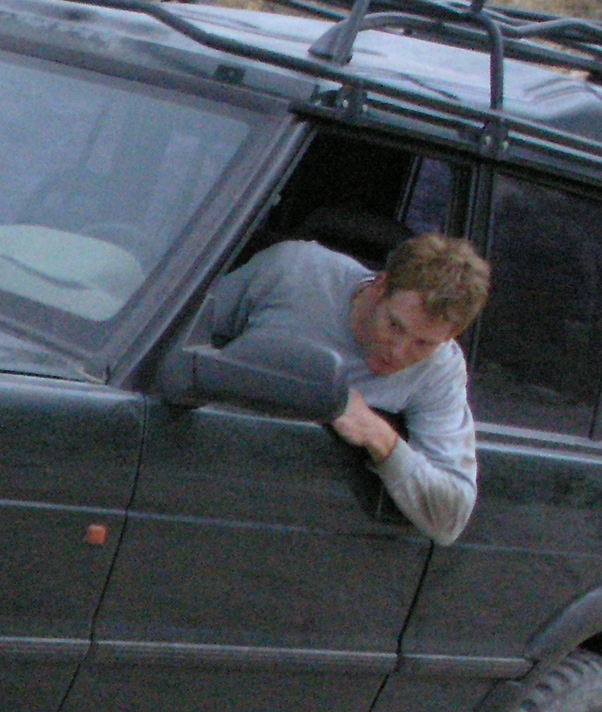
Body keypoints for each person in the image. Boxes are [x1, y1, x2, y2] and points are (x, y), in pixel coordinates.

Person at [206, 229, 491, 544]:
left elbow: (451, 518)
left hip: (301, 525)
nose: (399, 352)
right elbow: (183, 334)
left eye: (423, 343)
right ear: (380, 286)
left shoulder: (440, 371)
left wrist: (380, 437)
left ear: (451, 336)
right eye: (394, 326)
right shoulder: (293, 270)